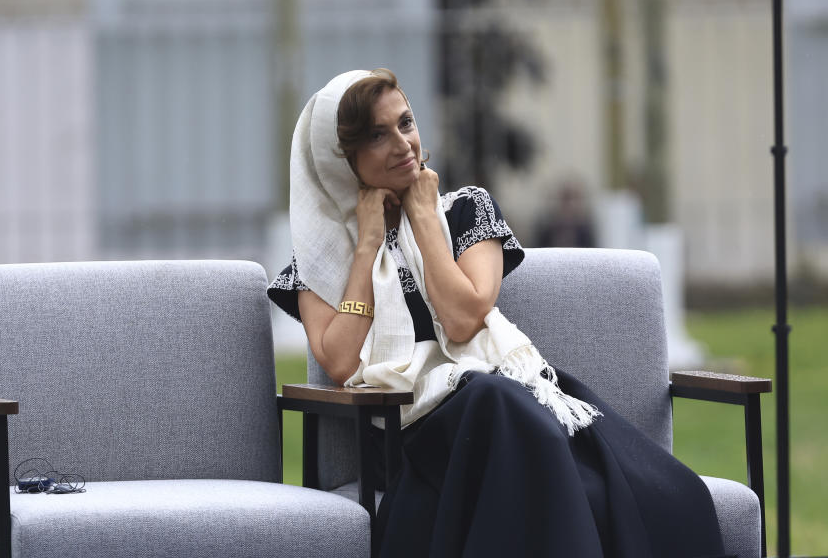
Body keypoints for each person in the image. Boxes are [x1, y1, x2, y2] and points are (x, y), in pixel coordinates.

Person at [268, 69, 731, 558]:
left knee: (671, 497)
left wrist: (424, 218)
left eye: (406, 123)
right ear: (343, 159)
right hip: (418, 435)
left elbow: (465, 318)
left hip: (522, 402)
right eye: (378, 135)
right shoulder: (318, 263)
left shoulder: (466, 210)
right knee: (489, 395)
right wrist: (366, 246)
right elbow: (340, 362)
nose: (403, 144)